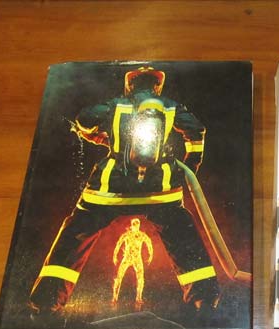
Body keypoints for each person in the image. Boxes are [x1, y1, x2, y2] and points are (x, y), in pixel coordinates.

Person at [29, 66, 220, 315]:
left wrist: (96, 134)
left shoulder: (115, 105)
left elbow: (84, 119)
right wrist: (190, 166)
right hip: (160, 191)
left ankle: (47, 300)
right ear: (157, 86)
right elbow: (197, 131)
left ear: (130, 86)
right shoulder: (171, 106)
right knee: (181, 233)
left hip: (109, 191)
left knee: (76, 232)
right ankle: (204, 299)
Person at [112, 218, 153, 307]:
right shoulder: (127, 235)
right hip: (127, 258)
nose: (136, 225)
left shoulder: (142, 235)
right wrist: (114, 255)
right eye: (134, 223)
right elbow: (118, 244)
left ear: (139, 225)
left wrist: (151, 255)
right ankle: (114, 298)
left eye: (137, 223)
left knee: (140, 278)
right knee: (119, 277)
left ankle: (139, 298)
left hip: (137, 258)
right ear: (131, 225)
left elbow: (149, 243)